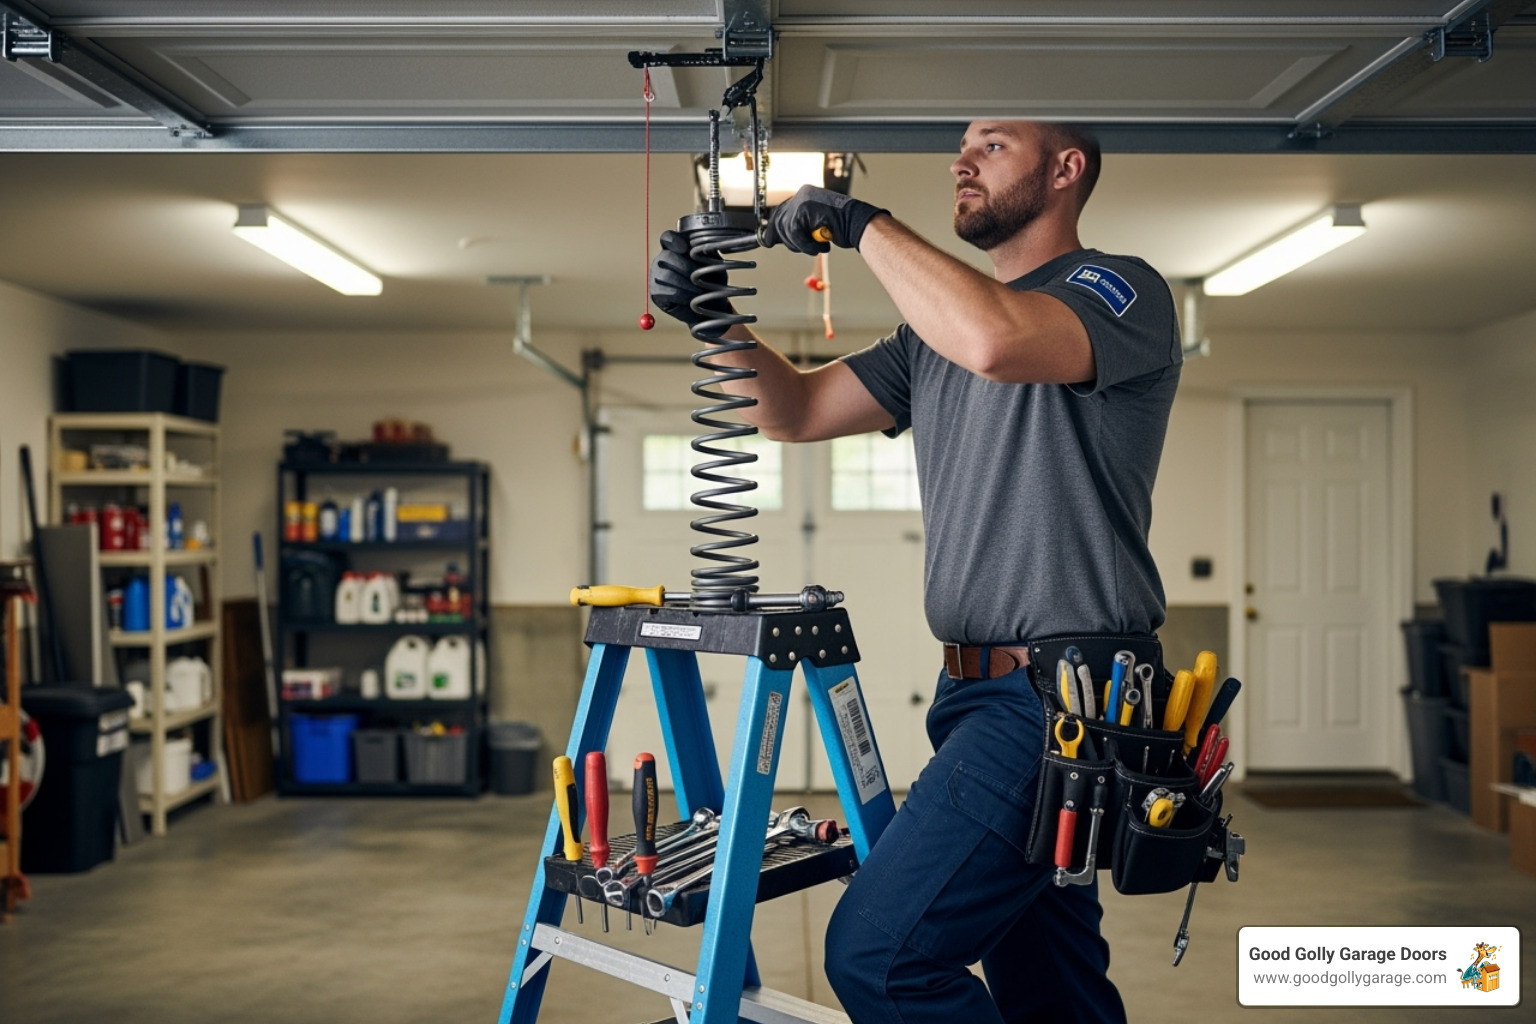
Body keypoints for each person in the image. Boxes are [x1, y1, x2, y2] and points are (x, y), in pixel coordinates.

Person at [650, 120, 1180, 1024]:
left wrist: (864, 225)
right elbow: (797, 407)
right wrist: (712, 316)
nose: (960, 161)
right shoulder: (930, 334)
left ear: (1066, 169)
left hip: (1065, 700)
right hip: (978, 698)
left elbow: (997, 340)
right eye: (962, 147)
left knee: (880, 958)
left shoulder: (1118, 290)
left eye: (994, 145)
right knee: (1048, 979)